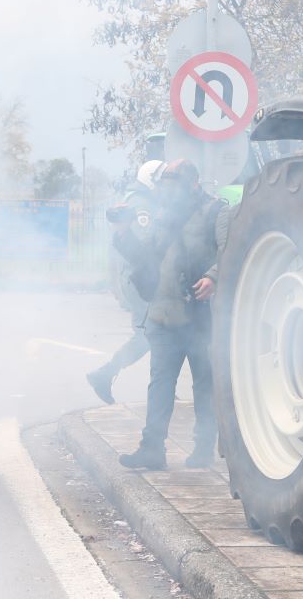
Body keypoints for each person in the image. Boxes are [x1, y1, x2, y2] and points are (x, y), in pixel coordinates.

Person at [112, 159, 226, 470]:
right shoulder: (163, 215)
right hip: (163, 313)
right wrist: (124, 232)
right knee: (160, 382)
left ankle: (203, 447)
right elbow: (145, 258)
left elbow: (231, 249)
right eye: (165, 185)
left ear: (194, 183)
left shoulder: (217, 211)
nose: (168, 192)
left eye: (175, 185)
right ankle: (152, 449)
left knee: (204, 384)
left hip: (201, 315)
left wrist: (214, 276)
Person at [87, 159, 163, 404]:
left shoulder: (140, 200)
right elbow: (143, 242)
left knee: (157, 335)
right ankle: (104, 374)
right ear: (152, 180)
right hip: (140, 281)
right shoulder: (142, 204)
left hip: (138, 279)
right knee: (146, 336)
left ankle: (163, 388)